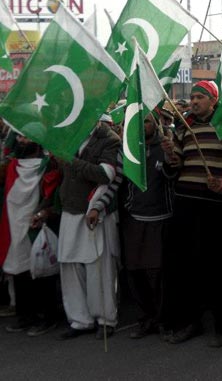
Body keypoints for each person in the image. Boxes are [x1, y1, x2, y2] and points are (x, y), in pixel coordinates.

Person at [162, 80, 222, 347]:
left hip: (216, 207)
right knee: (187, 267)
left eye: (200, 97)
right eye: (193, 97)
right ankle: (190, 322)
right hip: (186, 205)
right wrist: (170, 158)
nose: (194, 101)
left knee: (218, 267)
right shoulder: (184, 127)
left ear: (213, 100)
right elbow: (173, 169)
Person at [56, 115, 121, 340]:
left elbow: (106, 175)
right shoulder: (69, 134)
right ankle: (80, 319)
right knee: (69, 264)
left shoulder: (109, 139)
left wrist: (71, 161)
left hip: (94, 209)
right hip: (70, 207)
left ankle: (105, 318)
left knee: (98, 266)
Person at [0, 135, 61, 336]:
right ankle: (26, 316)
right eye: (18, 137)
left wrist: (42, 213)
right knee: (20, 270)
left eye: (26, 137)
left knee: (42, 271)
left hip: (37, 223)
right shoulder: (12, 165)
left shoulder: (48, 164)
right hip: (15, 224)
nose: (21, 141)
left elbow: (51, 194)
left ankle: (48, 317)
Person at [120, 113, 173, 339]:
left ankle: (163, 320)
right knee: (135, 271)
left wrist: (171, 157)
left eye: (148, 121)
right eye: (139, 121)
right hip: (135, 219)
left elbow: (173, 175)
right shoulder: (130, 149)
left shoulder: (165, 147)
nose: (144, 125)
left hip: (159, 218)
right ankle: (146, 318)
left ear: (156, 124)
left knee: (157, 274)